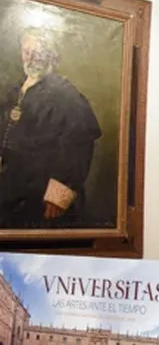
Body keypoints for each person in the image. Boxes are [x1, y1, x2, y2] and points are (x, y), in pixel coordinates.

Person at [0, 28, 102, 229]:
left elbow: (80, 145)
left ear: (51, 56)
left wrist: (59, 194)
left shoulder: (65, 94)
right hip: (11, 187)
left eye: (38, 52)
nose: (30, 57)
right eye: (26, 51)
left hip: (43, 195)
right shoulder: (15, 90)